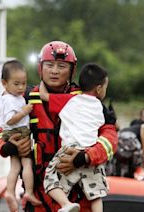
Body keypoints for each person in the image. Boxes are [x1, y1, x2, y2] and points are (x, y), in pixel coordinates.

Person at [0, 41, 118, 212]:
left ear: (71, 70)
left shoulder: (85, 101)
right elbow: (1, 133)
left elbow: (110, 139)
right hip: (38, 199)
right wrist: (8, 147)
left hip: (78, 199)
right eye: (49, 65)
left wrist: (84, 157)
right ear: (40, 68)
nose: (54, 71)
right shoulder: (24, 98)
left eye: (61, 66)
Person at [39, 63, 110, 212]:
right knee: (96, 195)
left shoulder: (69, 100)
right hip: (89, 153)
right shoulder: (101, 107)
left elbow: (43, 95)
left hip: (69, 150)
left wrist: (41, 82)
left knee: (50, 181)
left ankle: (66, 204)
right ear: (98, 89)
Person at [0, 60, 42, 212]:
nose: (21, 87)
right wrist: (24, 111)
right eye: (17, 84)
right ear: (4, 83)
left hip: (9, 134)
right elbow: (9, 119)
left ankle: (9, 192)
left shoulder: (4, 97)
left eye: (24, 83)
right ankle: (28, 192)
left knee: (15, 167)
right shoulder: (11, 100)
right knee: (27, 163)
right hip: (19, 132)